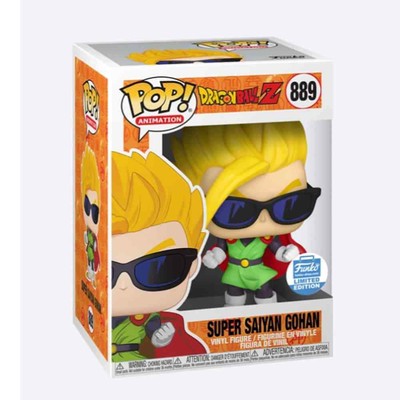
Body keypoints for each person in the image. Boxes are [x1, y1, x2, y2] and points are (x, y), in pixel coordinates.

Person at [172, 122, 321, 306]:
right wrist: (214, 256)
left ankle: (268, 313)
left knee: (265, 292)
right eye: (235, 211)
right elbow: (220, 249)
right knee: (233, 294)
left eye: (288, 205)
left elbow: (276, 247)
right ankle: (232, 313)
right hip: (234, 271)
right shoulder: (228, 239)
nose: (264, 219)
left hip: (258, 270)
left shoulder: (267, 237)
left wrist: (285, 253)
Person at [111, 150, 208, 362]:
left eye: (157, 268)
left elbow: (187, 353)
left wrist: (163, 341)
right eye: (109, 272)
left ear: (192, 265)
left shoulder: (154, 321)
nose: (124, 284)